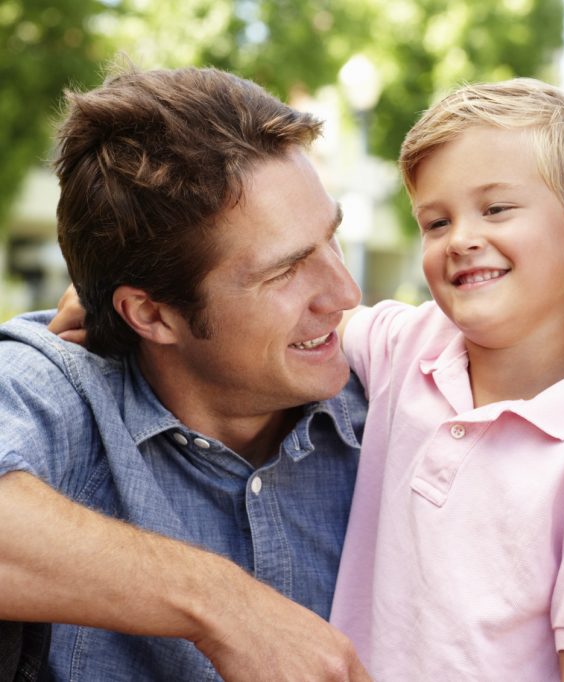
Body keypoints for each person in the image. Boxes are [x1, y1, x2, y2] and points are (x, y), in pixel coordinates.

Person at [0, 65, 371, 680]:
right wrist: (221, 603)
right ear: (150, 312)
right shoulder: (59, 387)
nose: (345, 291)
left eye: (330, 239)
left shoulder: (402, 400)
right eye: (284, 272)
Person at [327, 79, 564, 680]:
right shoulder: (404, 344)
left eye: (495, 208)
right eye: (436, 222)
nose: (461, 239)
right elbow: (293, 317)